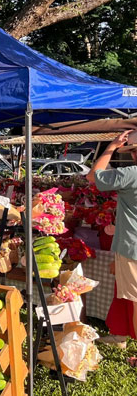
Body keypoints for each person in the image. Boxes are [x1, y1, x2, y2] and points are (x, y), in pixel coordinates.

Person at [87, 130, 137, 356]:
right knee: (124, 294)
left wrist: (111, 147)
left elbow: (93, 176)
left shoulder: (131, 174)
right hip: (129, 243)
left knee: (135, 300)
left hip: (132, 247)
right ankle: (120, 335)